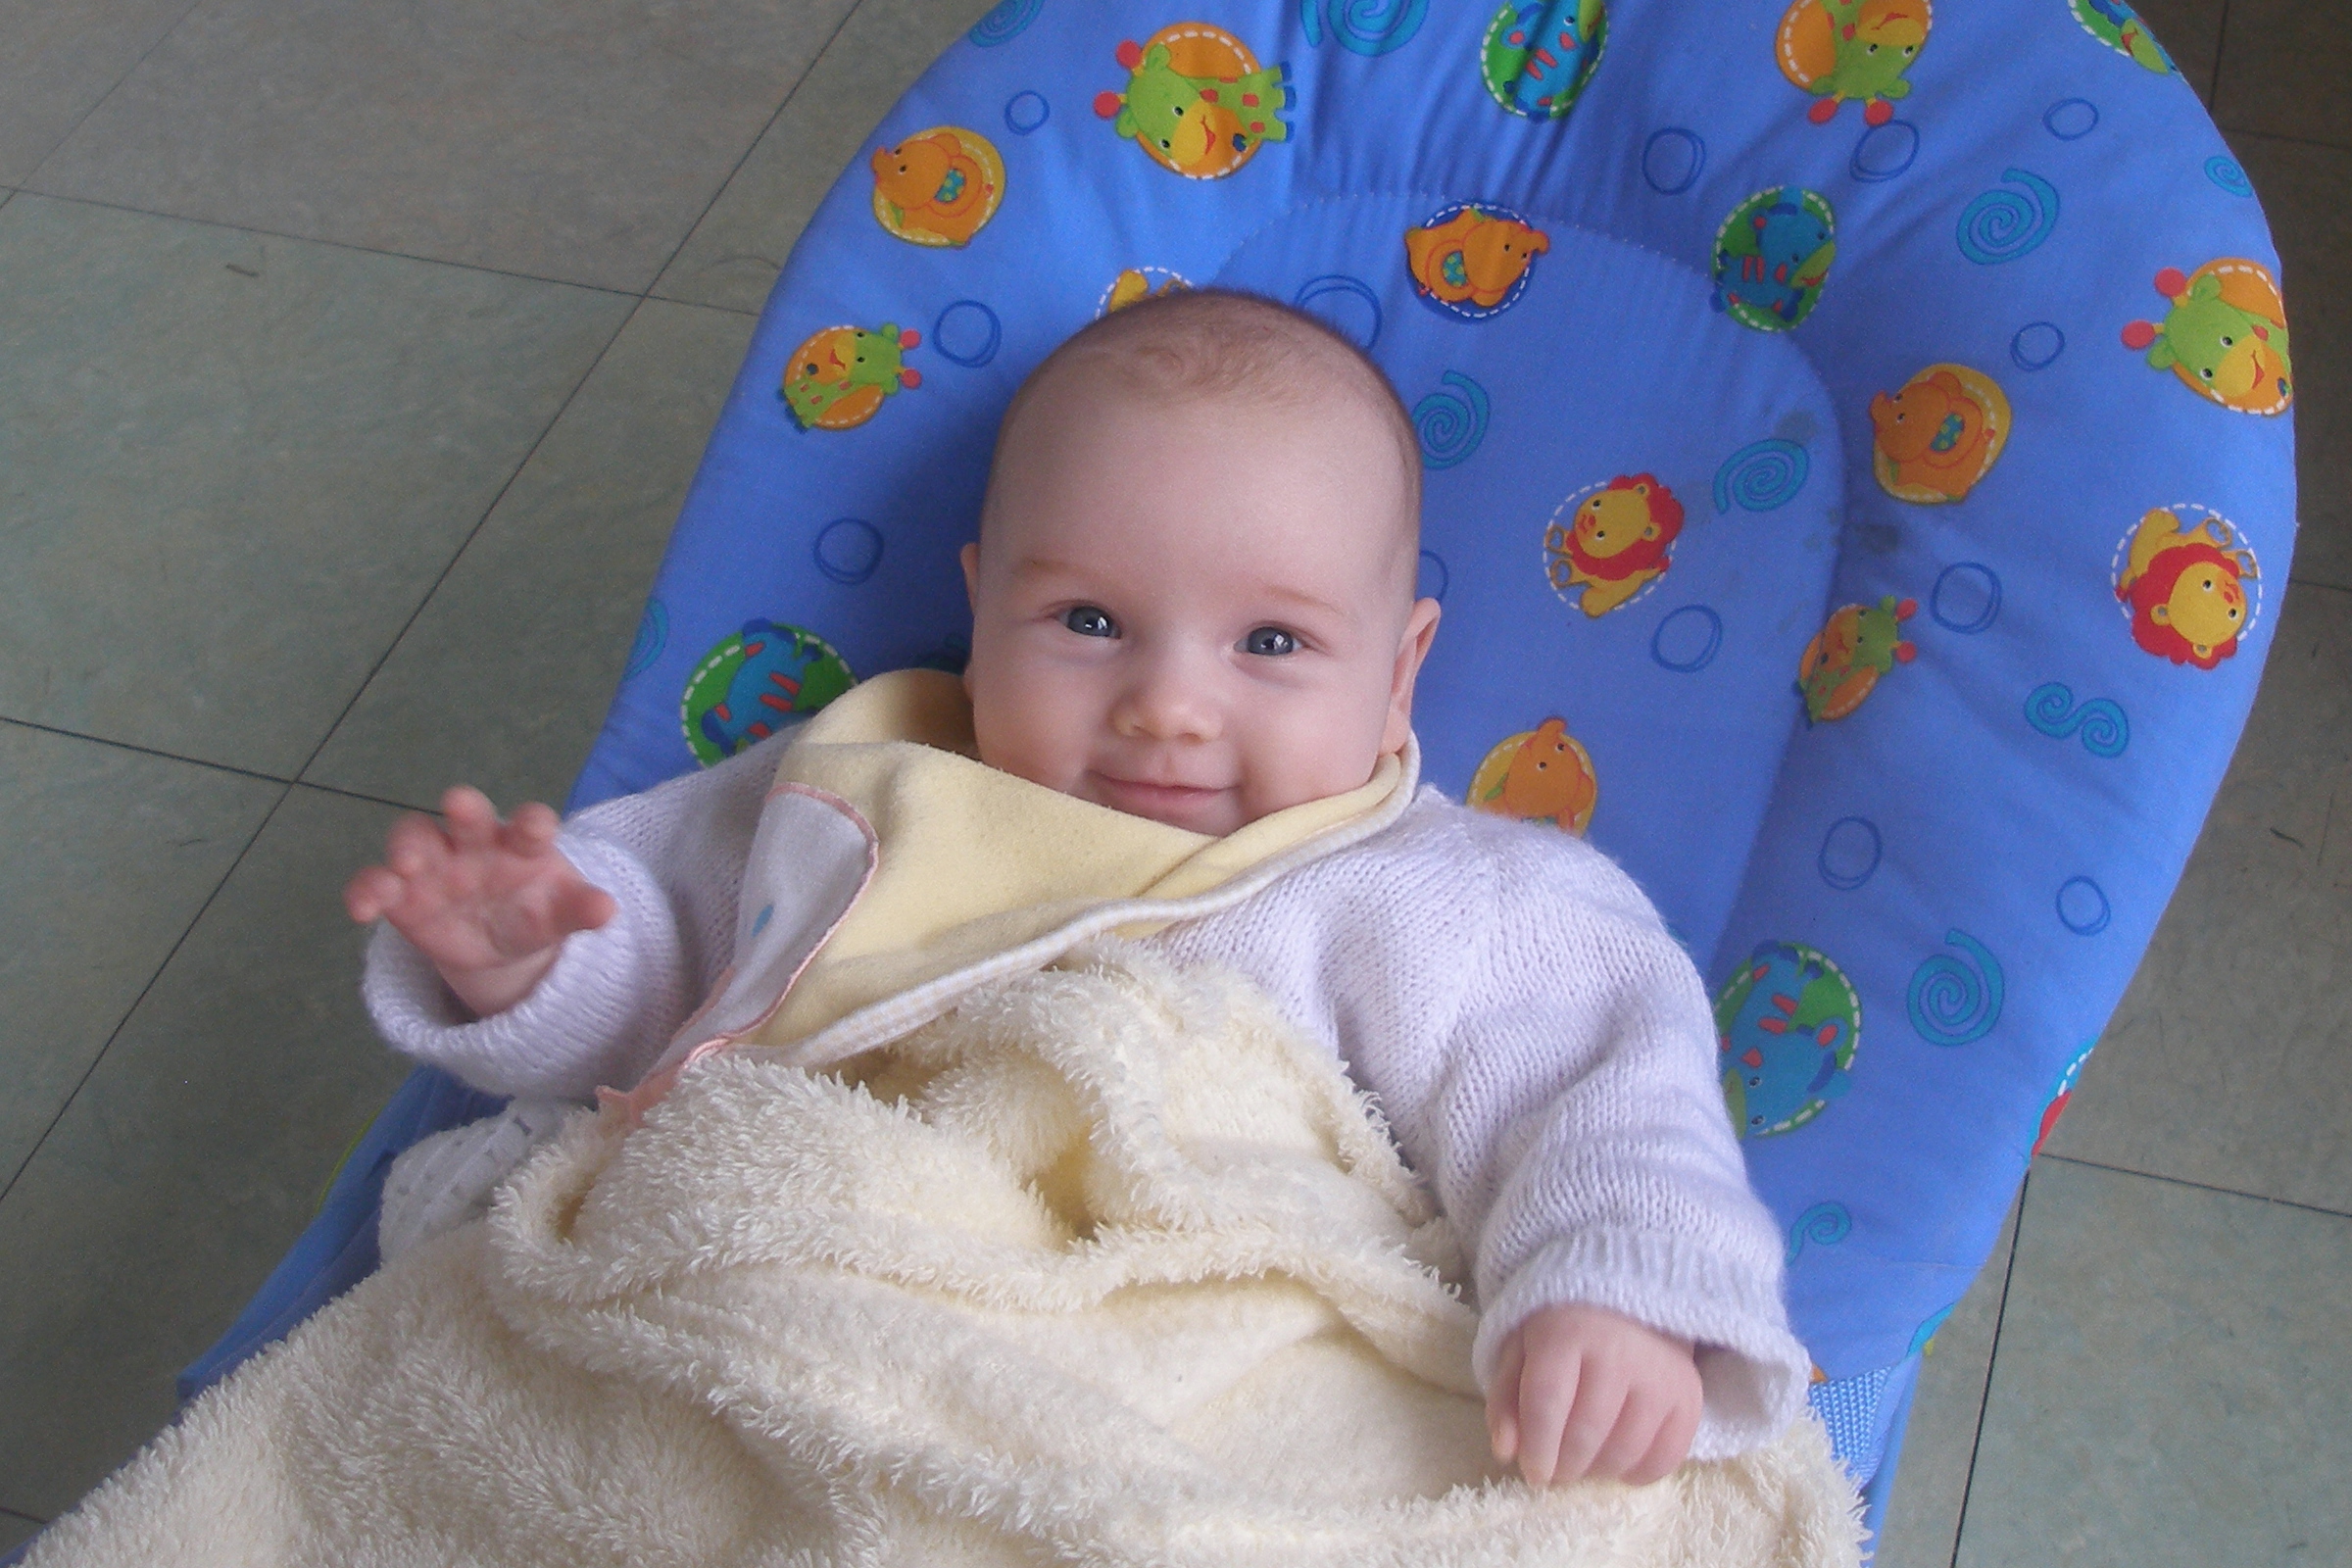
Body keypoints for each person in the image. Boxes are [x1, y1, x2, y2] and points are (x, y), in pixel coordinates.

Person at [346, 288, 1808, 1494]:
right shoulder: (870, 791)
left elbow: (1601, 1097)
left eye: (1272, 644)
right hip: (796, 1306)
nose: (1168, 706)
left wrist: (1609, 1292)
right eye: (1090, 620)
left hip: (1190, 1384)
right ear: (980, 604)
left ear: (1400, 668)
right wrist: (529, 962)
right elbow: (677, 994)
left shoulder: (1444, 898)